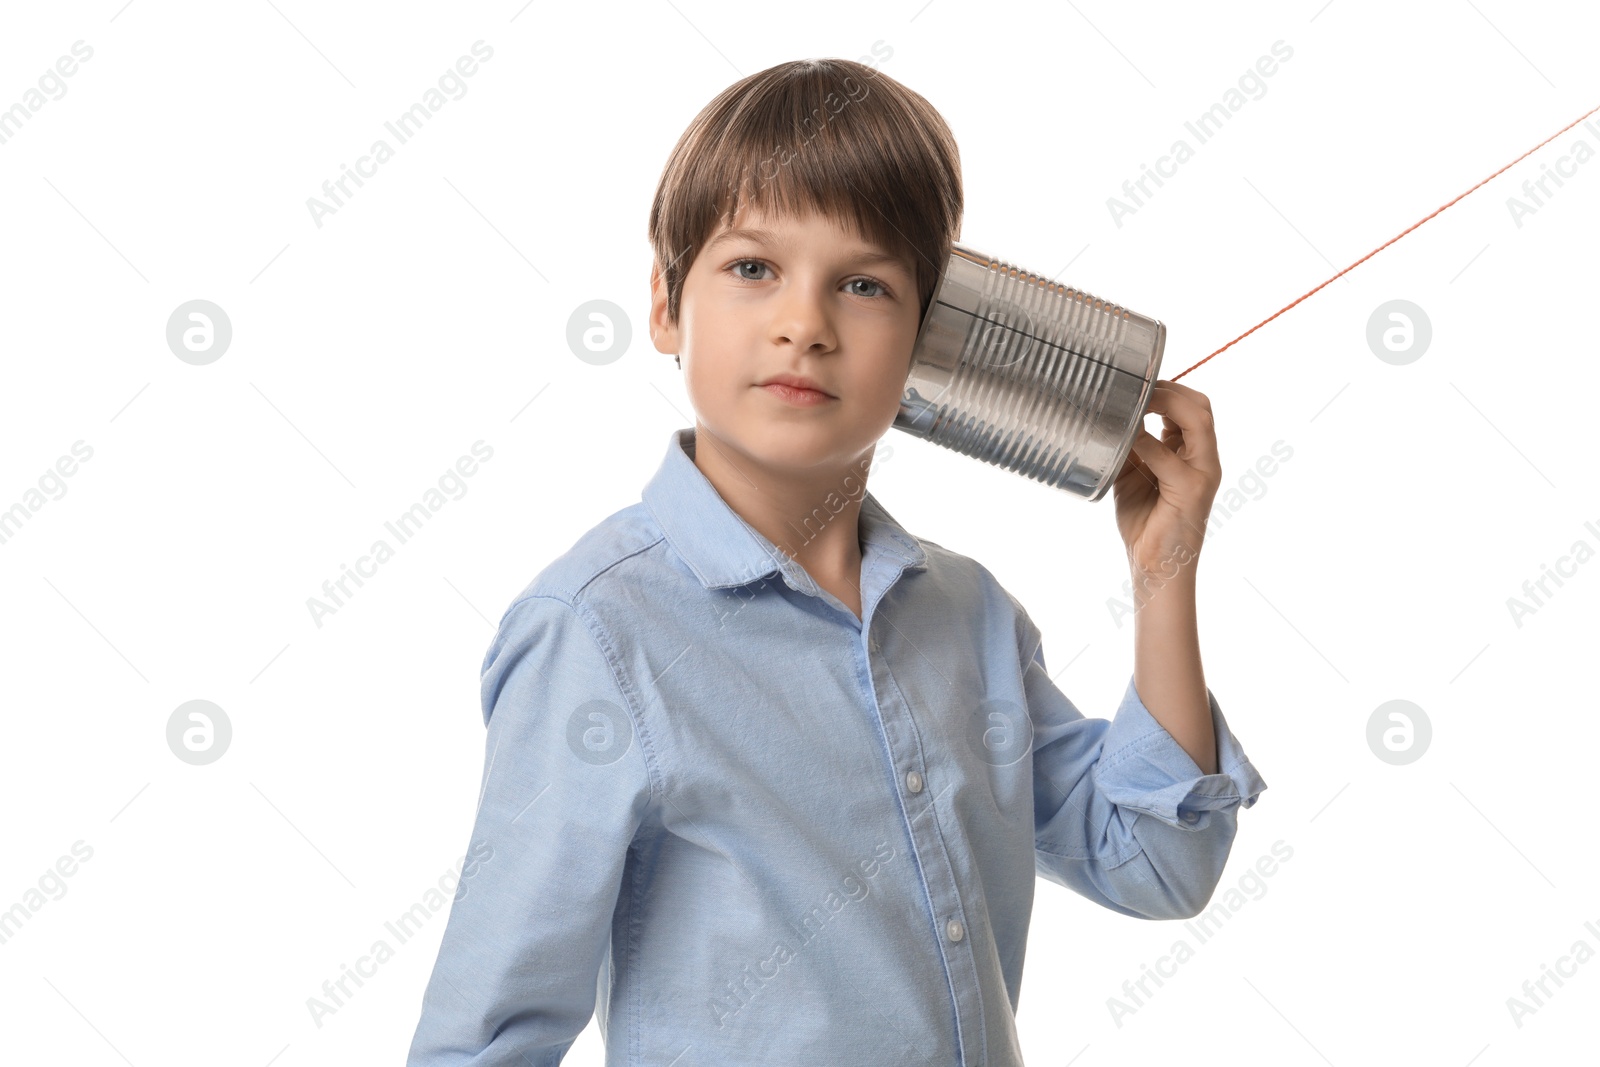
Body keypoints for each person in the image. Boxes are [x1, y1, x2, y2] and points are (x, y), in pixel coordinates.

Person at [405, 55, 1267, 1066]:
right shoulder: (596, 632)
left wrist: (1163, 572)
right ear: (665, 302)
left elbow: (1155, 864)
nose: (803, 324)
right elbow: (486, 1037)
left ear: (929, 343)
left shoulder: (967, 614)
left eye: (862, 284)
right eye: (752, 268)